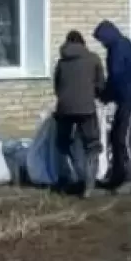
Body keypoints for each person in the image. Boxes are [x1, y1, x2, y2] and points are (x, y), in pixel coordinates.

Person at [92, 20, 131, 195]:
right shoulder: (121, 46)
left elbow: (116, 77)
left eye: (101, 40)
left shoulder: (118, 48)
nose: (101, 44)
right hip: (126, 97)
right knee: (116, 136)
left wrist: (105, 95)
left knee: (124, 137)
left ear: (107, 36)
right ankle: (117, 176)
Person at [53, 30, 107, 198]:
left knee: (63, 145)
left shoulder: (61, 63)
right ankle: (89, 187)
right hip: (86, 109)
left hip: (64, 109)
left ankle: (68, 180)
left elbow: (56, 87)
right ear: (83, 43)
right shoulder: (93, 59)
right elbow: (100, 86)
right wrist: (97, 96)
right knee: (92, 146)